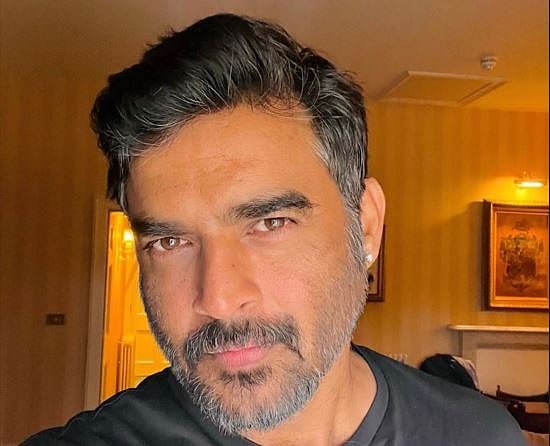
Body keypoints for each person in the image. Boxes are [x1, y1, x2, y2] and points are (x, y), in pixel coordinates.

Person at [23, 13, 526, 446]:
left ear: (366, 226)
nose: (219, 299)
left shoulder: (480, 435)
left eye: (269, 223)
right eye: (170, 241)